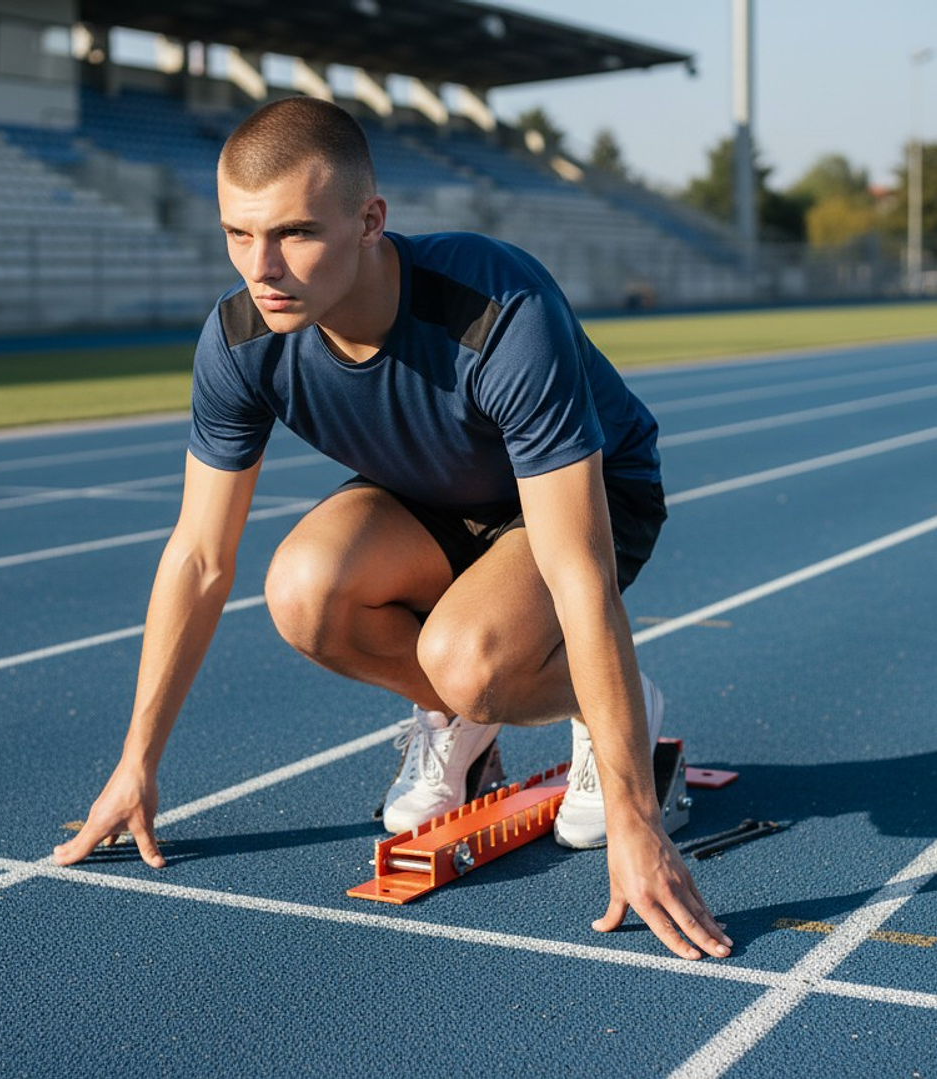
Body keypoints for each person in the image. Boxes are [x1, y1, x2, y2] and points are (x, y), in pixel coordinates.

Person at [53, 96, 732, 962]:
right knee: (299, 591)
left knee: (469, 662)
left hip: (586, 494)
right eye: (236, 234)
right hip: (430, 495)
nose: (262, 268)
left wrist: (637, 817)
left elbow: (577, 570)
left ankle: (618, 712)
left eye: (295, 233)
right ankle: (465, 720)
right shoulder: (237, 340)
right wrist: (136, 761)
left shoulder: (495, 308)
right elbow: (196, 556)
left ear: (371, 220)